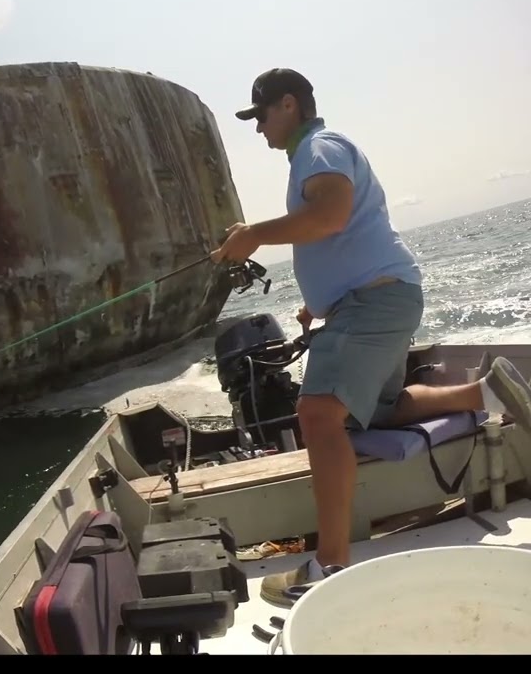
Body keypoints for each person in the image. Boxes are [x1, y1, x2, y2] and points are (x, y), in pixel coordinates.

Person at [210, 67, 531, 607]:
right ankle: (488, 392)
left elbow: (331, 216)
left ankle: (330, 564)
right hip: (376, 301)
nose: (258, 127)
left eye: (261, 115)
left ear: (288, 105)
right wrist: (319, 301)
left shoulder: (319, 146)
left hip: (372, 304)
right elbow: (341, 232)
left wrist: (253, 237)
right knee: (376, 412)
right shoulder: (315, 154)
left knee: (317, 415)